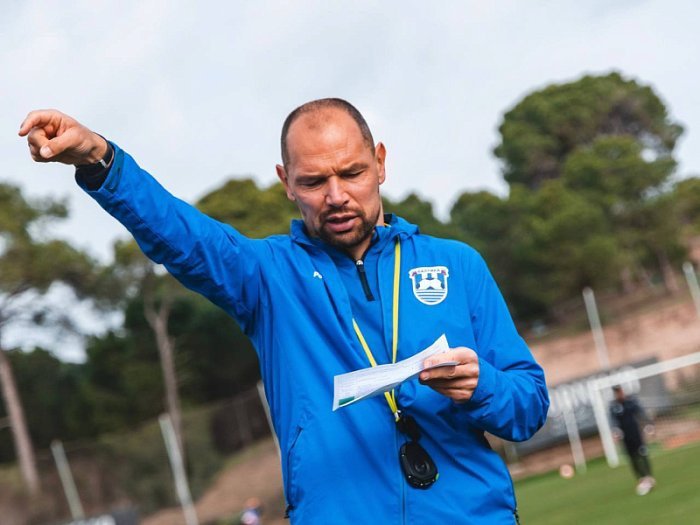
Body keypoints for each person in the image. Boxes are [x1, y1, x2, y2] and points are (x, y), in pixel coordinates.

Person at [19, 99, 549, 524]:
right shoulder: (268, 277)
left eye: (352, 173)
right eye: (314, 181)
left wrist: (482, 386)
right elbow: (182, 235)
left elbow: (527, 407)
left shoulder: (457, 265)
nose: (337, 196)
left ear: (381, 163)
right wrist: (100, 159)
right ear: (286, 181)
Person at [609, 385, 656, 495]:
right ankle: (641, 479)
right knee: (632, 458)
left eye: (620, 392)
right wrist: (615, 432)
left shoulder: (631, 402)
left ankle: (649, 476)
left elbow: (641, 413)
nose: (619, 394)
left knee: (643, 454)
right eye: (616, 393)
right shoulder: (614, 406)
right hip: (625, 437)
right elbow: (613, 422)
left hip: (636, 434)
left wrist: (649, 424)